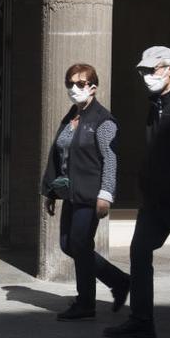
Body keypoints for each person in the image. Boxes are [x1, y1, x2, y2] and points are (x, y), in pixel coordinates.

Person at [104, 46, 170, 338]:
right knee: (139, 253)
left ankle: (140, 319)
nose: (147, 76)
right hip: (154, 201)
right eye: (143, 71)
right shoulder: (155, 105)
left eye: (152, 70)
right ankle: (141, 320)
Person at [42, 63, 130, 321]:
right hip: (71, 192)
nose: (74, 88)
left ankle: (85, 303)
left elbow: (110, 160)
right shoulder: (71, 117)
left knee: (80, 243)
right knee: (68, 244)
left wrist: (106, 194)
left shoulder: (103, 121)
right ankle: (119, 280)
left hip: (91, 193)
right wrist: (51, 192)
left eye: (80, 84)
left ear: (93, 87)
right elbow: (61, 157)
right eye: (70, 83)